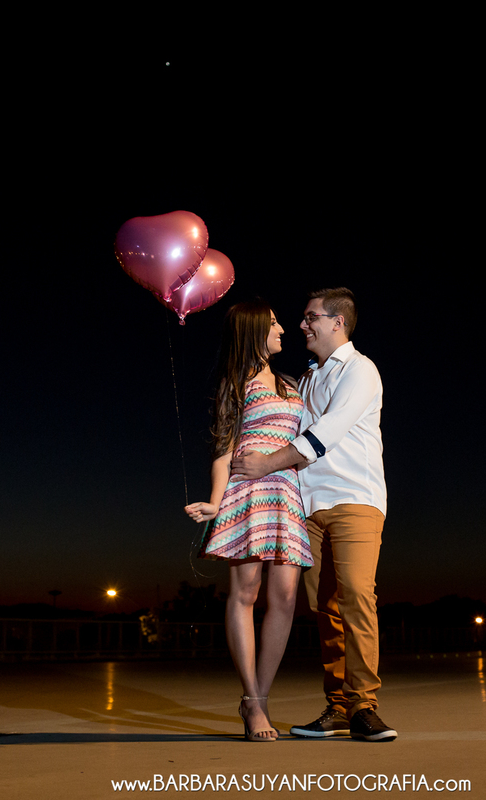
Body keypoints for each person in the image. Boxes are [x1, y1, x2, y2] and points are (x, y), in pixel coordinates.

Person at [230, 287, 396, 742]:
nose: (301, 324)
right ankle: (338, 706)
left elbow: (327, 431)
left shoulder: (361, 370)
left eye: (309, 317)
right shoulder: (304, 380)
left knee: (357, 595)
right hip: (306, 505)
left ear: (336, 322)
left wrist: (266, 463)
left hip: (354, 500)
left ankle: (364, 704)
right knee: (324, 608)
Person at [184, 300, 312, 742]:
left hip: (286, 493)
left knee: (286, 597)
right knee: (246, 592)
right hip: (247, 493)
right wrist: (216, 503)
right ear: (254, 331)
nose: (283, 328)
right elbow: (223, 450)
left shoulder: (293, 382)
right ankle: (254, 702)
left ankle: (259, 695)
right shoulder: (234, 384)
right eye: (274, 322)